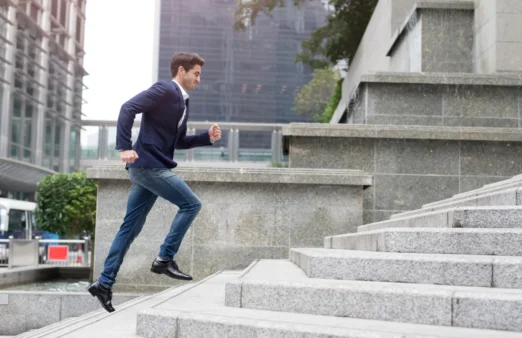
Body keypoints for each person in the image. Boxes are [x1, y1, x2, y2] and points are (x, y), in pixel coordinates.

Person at [87, 52, 221, 313]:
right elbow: (128, 108)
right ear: (181, 71)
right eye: (196, 74)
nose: (199, 79)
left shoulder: (183, 101)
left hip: (148, 167)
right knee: (191, 204)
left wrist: (207, 138)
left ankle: (104, 283)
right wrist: (124, 146)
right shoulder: (165, 89)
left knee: (130, 229)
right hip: (148, 165)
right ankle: (164, 258)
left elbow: (178, 141)